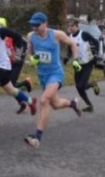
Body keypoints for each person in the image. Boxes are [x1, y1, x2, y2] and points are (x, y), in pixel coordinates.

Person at [24, 12, 82, 148]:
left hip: (55, 73)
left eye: (37, 25)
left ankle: (37, 138)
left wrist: (75, 60)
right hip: (42, 75)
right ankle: (72, 104)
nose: (34, 28)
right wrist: (31, 59)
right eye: (32, 25)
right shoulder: (31, 36)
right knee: (55, 104)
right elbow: (28, 53)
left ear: (45, 24)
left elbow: (73, 44)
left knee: (44, 100)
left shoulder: (56, 34)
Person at [0, 17, 33, 114]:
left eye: (1, 26)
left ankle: (23, 103)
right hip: (7, 62)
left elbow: (24, 43)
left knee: (10, 84)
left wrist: (19, 56)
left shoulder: (10, 35)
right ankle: (25, 83)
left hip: (17, 61)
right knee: (6, 85)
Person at [64, 18, 100, 112]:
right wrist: (67, 58)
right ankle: (89, 105)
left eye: (72, 26)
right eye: (69, 26)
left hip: (87, 63)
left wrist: (96, 56)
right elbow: (69, 50)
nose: (70, 28)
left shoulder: (83, 34)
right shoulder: (70, 37)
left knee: (81, 86)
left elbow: (96, 42)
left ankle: (92, 84)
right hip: (77, 64)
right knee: (78, 87)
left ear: (77, 26)